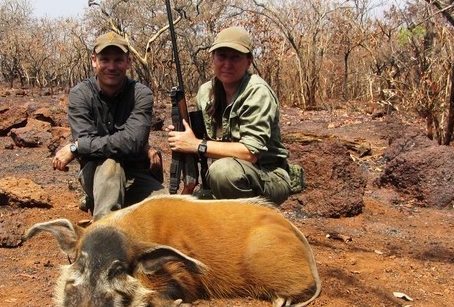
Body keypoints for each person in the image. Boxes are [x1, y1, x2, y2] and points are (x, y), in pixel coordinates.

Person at [168, 26, 293, 205]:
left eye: (235, 57)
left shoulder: (257, 92)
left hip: (268, 175)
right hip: (225, 177)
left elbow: (250, 153)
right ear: (213, 58)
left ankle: (249, 226)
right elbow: (199, 140)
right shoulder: (205, 92)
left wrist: (196, 145)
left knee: (223, 172)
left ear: (249, 61)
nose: (227, 64)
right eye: (222, 56)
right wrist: (183, 137)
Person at [53, 31, 165, 220]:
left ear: (128, 62)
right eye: (105, 59)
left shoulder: (141, 94)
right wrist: (85, 145)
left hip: (134, 173)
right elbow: (123, 142)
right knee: (111, 166)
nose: (111, 67)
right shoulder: (80, 94)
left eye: (118, 60)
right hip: (97, 173)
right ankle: (102, 238)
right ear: (94, 61)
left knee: (164, 208)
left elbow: (132, 142)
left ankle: (96, 202)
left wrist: (78, 147)